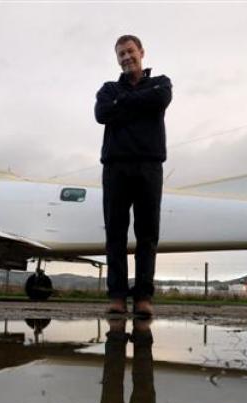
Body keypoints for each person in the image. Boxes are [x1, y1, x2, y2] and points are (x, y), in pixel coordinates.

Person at [95, 35, 172, 317]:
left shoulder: (161, 83)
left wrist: (123, 103)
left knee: (147, 234)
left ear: (142, 52)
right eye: (120, 54)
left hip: (150, 167)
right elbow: (102, 113)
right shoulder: (108, 88)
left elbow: (161, 99)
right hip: (115, 168)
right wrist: (139, 103)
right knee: (115, 233)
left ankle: (143, 298)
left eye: (130, 51)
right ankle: (117, 296)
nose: (126, 57)